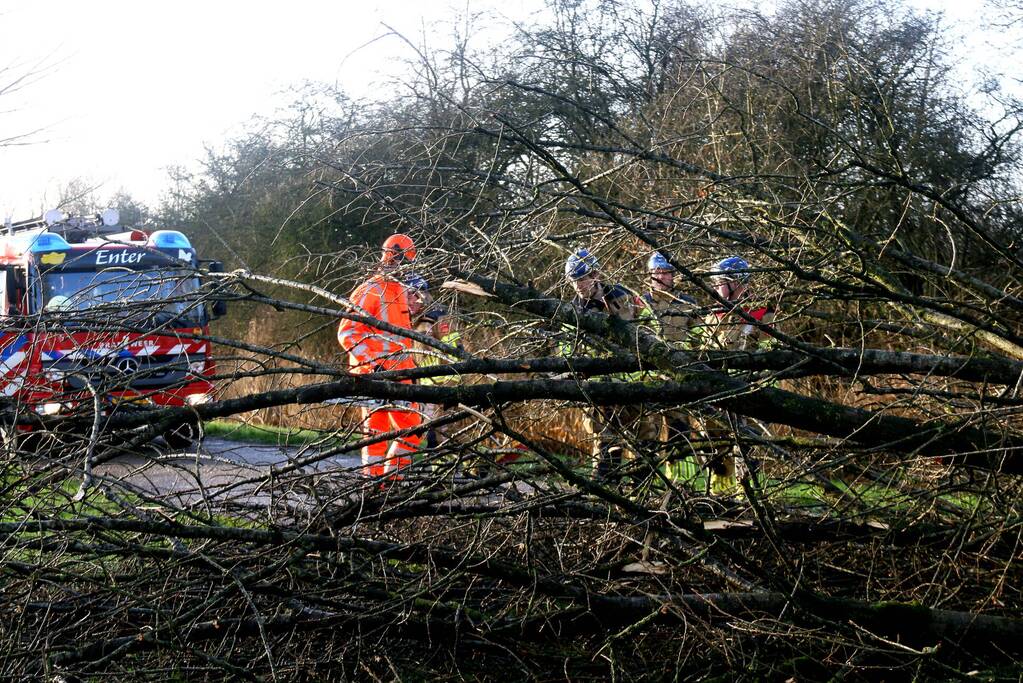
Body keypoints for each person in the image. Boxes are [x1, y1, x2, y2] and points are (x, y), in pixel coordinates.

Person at [562, 248, 654, 481]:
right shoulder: (572, 311)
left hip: (632, 383)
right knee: (605, 446)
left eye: (582, 279)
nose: (579, 285)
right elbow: (565, 349)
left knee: (644, 440)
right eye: (574, 280)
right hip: (598, 389)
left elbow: (647, 328)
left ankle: (645, 494)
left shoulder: (623, 297)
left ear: (595, 275)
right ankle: (604, 500)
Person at [337, 233, 422, 479]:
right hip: (374, 377)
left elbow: (399, 337)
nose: (405, 268)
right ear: (392, 258)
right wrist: (373, 366)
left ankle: (391, 480)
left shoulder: (401, 292)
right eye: (404, 261)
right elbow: (349, 332)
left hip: (401, 375)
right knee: (375, 435)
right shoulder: (370, 290)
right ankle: (374, 486)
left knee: (415, 429)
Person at [692, 255, 777, 495]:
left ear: (735, 282)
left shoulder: (761, 313)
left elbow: (770, 354)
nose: (716, 286)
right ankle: (719, 497)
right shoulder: (714, 315)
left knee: (746, 448)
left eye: (720, 281)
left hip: (749, 391)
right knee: (714, 446)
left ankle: (747, 498)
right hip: (716, 392)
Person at [639, 251, 702, 485]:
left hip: (680, 377)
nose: (662, 277)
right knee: (648, 434)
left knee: (680, 432)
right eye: (657, 272)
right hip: (651, 377)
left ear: (674, 275)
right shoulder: (640, 303)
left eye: (666, 272)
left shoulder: (688, 303)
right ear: (650, 275)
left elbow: (700, 338)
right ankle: (645, 485)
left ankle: (680, 485)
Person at [405, 272, 463, 453]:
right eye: (406, 296)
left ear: (424, 295)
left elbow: (455, 354)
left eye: (415, 295)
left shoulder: (438, 318)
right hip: (424, 389)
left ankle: (479, 468)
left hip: (442, 387)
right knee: (440, 437)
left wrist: (449, 387)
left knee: (440, 436)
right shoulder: (407, 320)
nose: (411, 301)